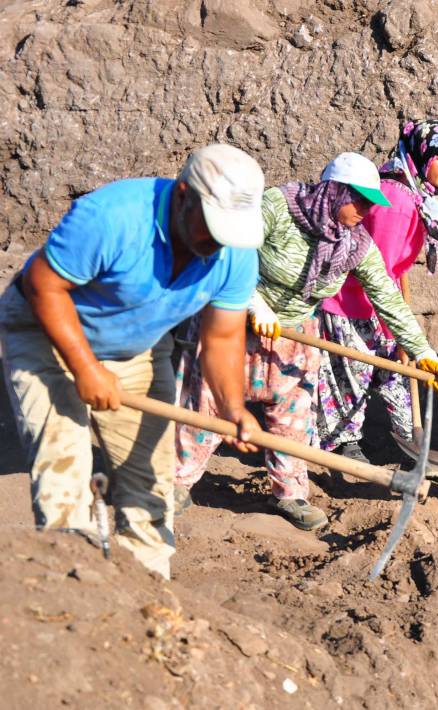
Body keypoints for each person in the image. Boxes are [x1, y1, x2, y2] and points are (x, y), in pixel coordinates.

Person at [0, 144, 266, 578]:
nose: (217, 243)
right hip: (46, 333)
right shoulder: (112, 217)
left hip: (135, 346)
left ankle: (148, 600)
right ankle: (73, 592)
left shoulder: (235, 251)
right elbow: (44, 286)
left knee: (148, 485)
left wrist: (233, 409)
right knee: (64, 472)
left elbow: (221, 338)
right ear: (183, 195)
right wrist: (86, 368)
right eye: (212, 228)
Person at [174, 152, 438, 531]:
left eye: (371, 203)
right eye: (360, 200)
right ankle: (177, 481)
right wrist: (254, 302)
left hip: (293, 336)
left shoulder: (353, 243)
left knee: (293, 416)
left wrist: (422, 350)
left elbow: (385, 295)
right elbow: (229, 251)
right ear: (333, 190)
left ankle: (289, 494)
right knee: (205, 402)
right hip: (232, 321)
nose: (366, 210)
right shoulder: (278, 206)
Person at [317, 119, 438, 463]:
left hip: (379, 302)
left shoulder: (421, 195)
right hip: (351, 302)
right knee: (351, 375)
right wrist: (393, 329)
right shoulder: (397, 198)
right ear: (424, 156)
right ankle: (343, 447)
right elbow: (375, 270)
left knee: (395, 373)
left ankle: (413, 441)